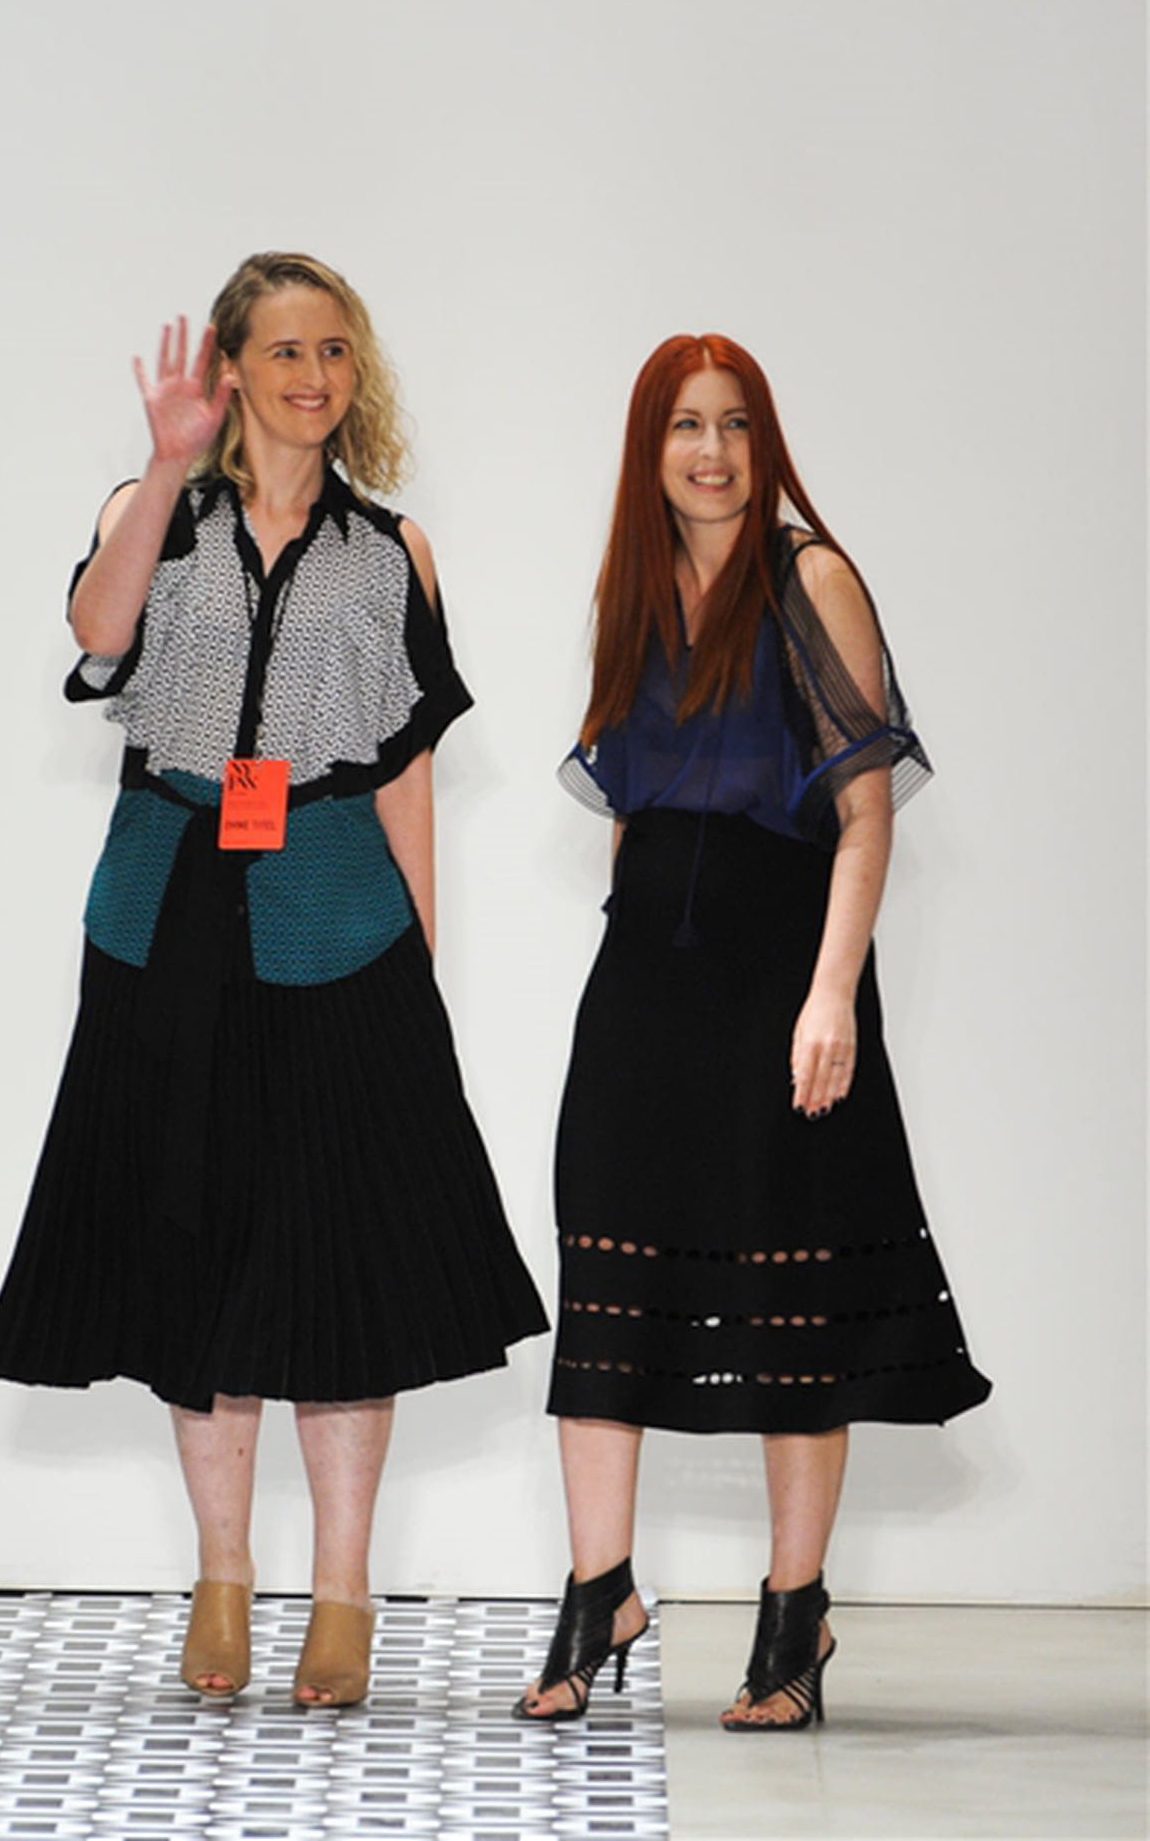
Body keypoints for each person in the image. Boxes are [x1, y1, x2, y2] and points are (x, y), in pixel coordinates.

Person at [0, 250, 547, 1709]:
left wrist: (421, 960)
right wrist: (168, 466)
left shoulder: (394, 552)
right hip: (165, 914)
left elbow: (407, 769)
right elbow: (99, 637)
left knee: (342, 1259)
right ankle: (221, 1578)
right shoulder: (152, 512)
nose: (314, 376)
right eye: (286, 349)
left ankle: (343, 1594)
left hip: (339, 918)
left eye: (335, 350)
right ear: (231, 369)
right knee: (192, 1248)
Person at [515, 334, 991, 1731]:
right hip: (646, 983)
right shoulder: (632, 589)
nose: (712, 452)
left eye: (734, 425)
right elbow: (632, 804)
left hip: (783, 975)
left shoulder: (810, 578)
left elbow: (866, 812)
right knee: (607, 1266)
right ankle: (601, 1589)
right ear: (649, 447)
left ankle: (795, 1613)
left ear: (764, 442)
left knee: (791, 1299)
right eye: (685, 425)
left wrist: (831, 992)